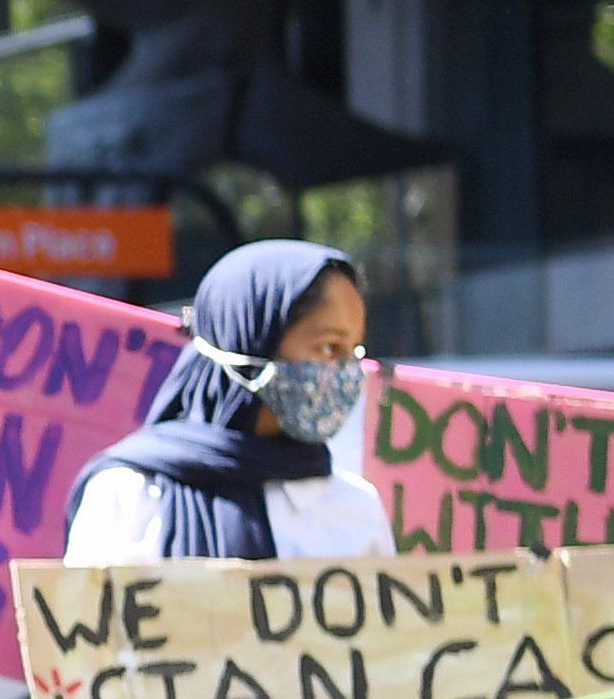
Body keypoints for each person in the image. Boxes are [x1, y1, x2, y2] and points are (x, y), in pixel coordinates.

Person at [60, 238, 387, 562]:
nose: (347, 372)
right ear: (252, 339)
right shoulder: (129, 495)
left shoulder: (355, 508)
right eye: (330, 347)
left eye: (354, 351)